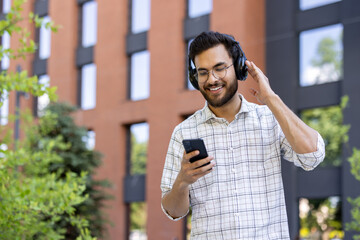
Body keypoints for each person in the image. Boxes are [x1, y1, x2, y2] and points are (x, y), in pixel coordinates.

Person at [160, 31, 325, 239]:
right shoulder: (183, 132)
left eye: (220, 68)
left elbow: (313, 156)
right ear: (195, 78)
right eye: (203, 72)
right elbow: (173, 211)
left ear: (239, 67)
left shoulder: (268, 118)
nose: (212, 79)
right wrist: (182, 181)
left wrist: (272, 99)